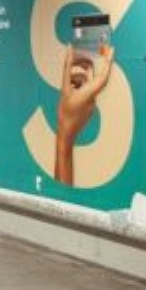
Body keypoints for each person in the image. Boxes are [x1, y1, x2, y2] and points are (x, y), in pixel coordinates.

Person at [54, 44, 113, 185]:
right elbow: (102, 80)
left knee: (63, 152)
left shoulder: (67, 100)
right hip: (65, 143)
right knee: (64, 154)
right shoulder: (74, 102)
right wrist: (108, 58)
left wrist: (65, 131)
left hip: (64, 141)